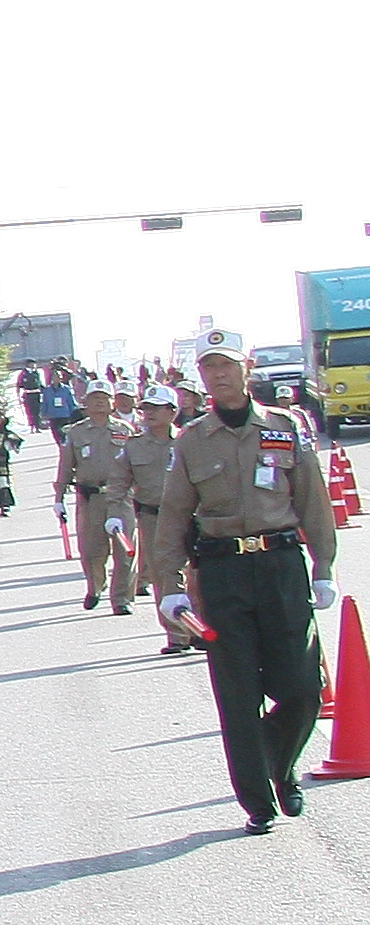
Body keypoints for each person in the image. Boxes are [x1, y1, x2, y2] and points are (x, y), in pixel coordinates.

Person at [144, 340, 338, 834]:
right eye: (209, 368)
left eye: (227, 366)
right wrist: (169, 584)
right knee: (237, 692)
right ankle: (258, 802)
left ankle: (278, 760)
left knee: (303, 688)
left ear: (245, 369)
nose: (219, 376)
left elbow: (312, 500)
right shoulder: (191, 440)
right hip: (222, 572)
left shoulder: (284, 427)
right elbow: (173, 516)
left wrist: (324, 566)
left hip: (280, 568)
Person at [118, 390, 199, 651]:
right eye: (146, 408)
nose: (149, 413)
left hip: (193, 517)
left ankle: (199, 628)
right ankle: (177, 635)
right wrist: (114, 514)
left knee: (197, 574)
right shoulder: (133, 445)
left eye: (156, 407)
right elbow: (120, 483)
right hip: (154, 518)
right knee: (163, 573)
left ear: (172, 411)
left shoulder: (190, 441)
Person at [62, 385, 134, 610]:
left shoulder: (126, 430)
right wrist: (58, 497)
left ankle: (121, 599)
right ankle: (95, 586)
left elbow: (138, 464)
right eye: (95, 398)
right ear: (86, 402)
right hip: (90, 498)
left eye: (105, 398)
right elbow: (66, 465)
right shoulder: (76, 432)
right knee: (92, 551)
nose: (100, 402)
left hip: (120, 498)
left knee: (125, 552)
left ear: (113, 402)